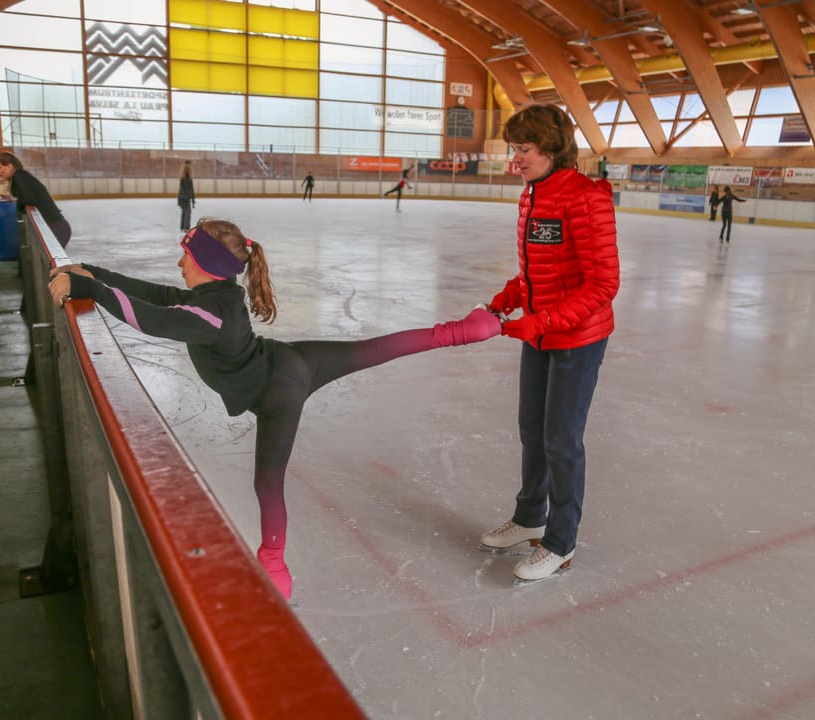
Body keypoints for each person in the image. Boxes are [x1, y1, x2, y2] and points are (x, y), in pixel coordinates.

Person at [47, 218, 503, 600]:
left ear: (206, 264)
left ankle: (274, 564)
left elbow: (151, 319)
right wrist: (95, 273)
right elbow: (160, 295)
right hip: (288, 360)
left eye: (185, 256)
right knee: (371, 350)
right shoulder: (211, 297)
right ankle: (465, 331)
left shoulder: (213, 314)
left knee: (268, 479)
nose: (179, 264)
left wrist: (90, 285)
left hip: (278, 391)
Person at [481, 103, 619, 582]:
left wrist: (542, 322)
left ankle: (560, 542)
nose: (514, 159)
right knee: (531, 430)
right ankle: (529, 518)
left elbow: (603, 284)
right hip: (541, 330)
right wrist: (511, 296)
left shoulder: (586, 198)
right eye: (513, 149)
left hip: (577, 338)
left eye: (523, 150)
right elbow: (540, 272)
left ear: (552, 149)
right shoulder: (532, 195)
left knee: (561, 439)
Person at [0, 151, 72, 248]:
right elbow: (26, 197)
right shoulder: (20, 176)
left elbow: (29, 199)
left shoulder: (20, 175)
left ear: (9, 166)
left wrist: (16, 206)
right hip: (53, 227)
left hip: (55, 228)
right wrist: (13, 201)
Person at [177, 161, 196, 232]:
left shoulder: (182, 177)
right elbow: (189, 189)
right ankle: (186, 228)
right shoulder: (187, 178)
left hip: (181, 197)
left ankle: (182, 227)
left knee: (184, 212)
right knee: (187, 212)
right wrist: (193, 198)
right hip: (185, 197)